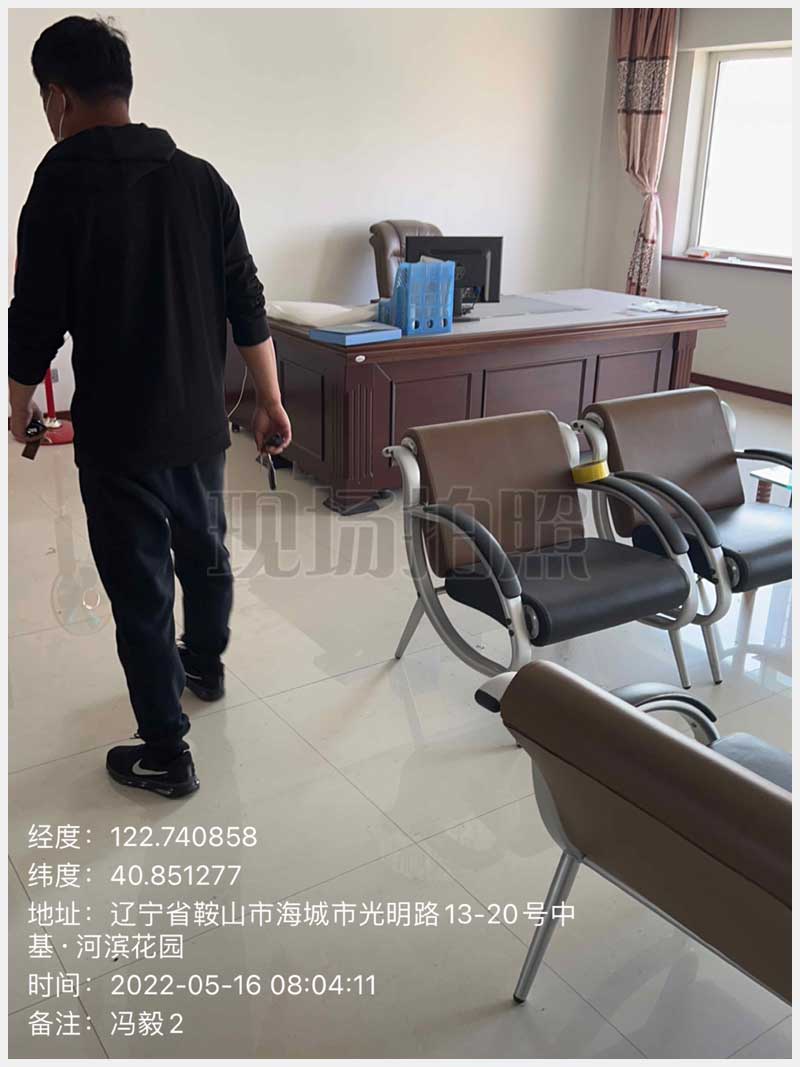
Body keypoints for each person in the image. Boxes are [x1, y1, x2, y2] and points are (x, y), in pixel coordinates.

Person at [8, 16, 291, 798]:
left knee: (140, 588)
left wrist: (18, 401)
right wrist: (270, 400)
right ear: (123, 88)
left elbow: (34, 314)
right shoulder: (202, 179)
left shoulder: (59, 183)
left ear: (58, 97)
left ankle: (166, 750)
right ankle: (206, 664)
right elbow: (247, 300)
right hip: (200, 423)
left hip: (119, 437)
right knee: (205, 553)